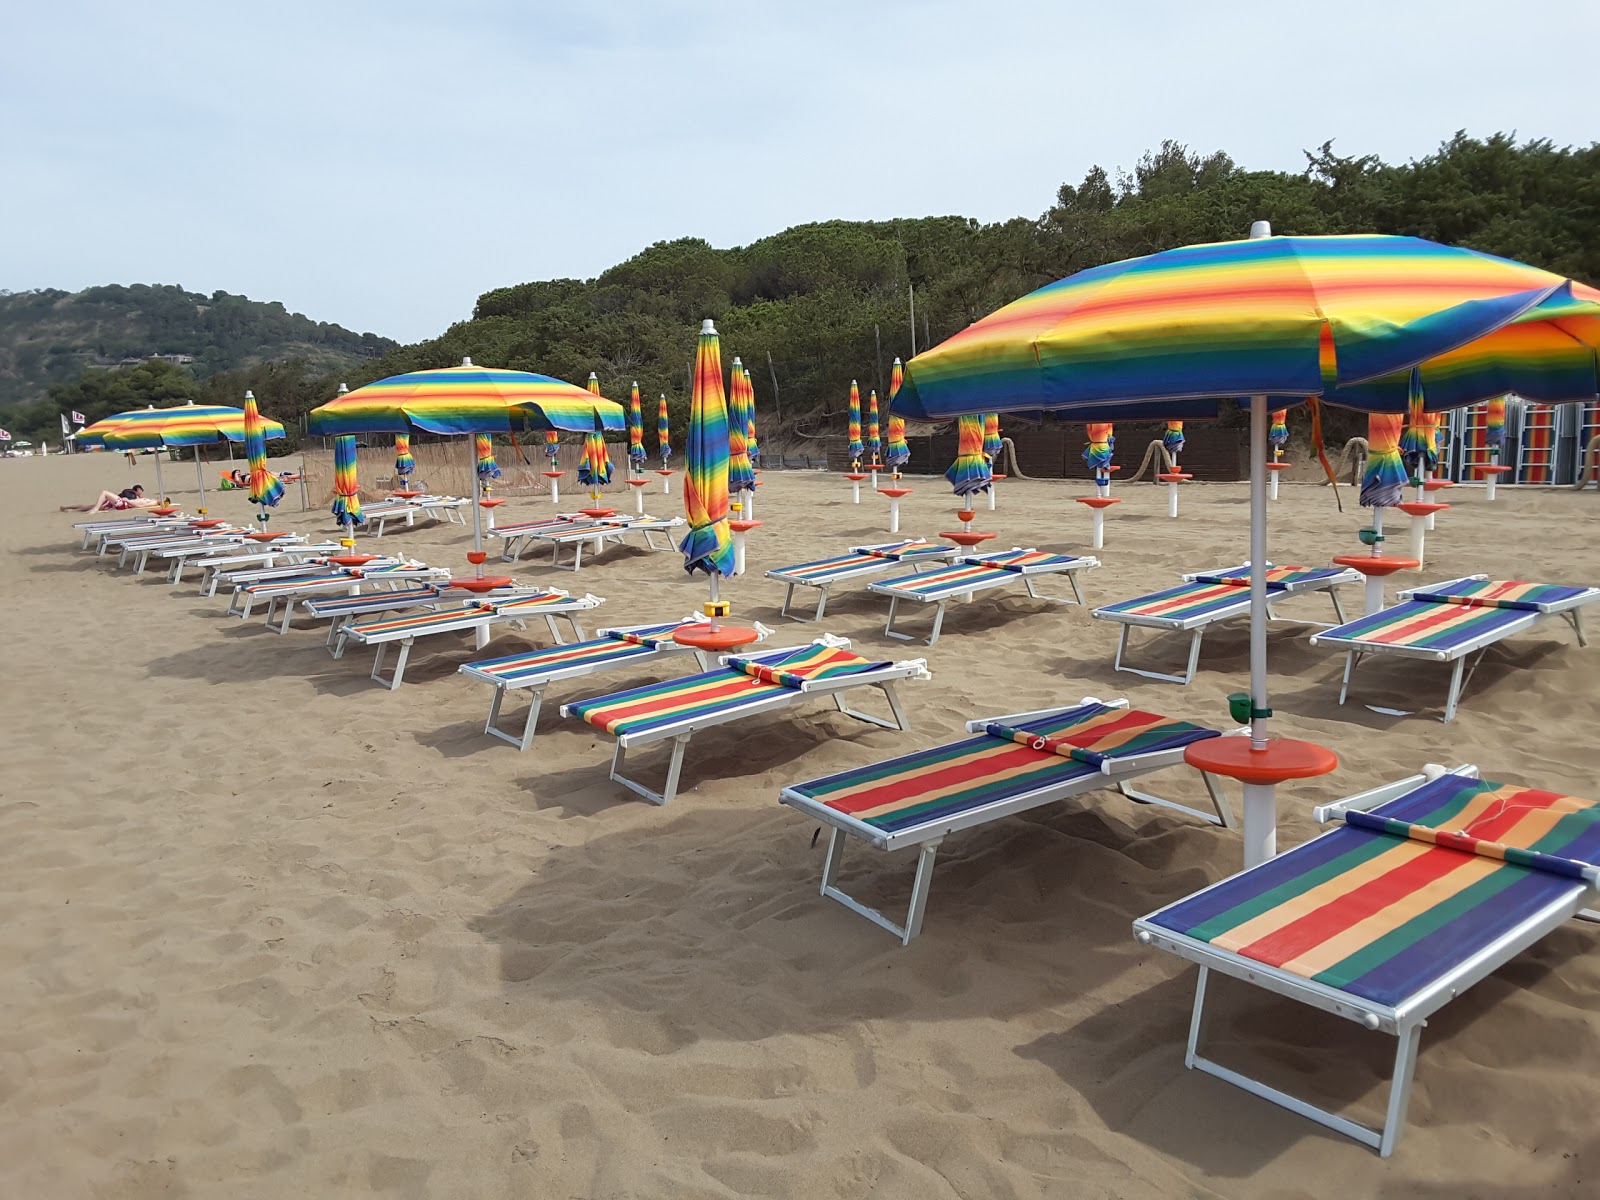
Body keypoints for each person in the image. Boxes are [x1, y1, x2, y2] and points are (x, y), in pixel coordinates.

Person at [60, 484, 161, 512]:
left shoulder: (153, 503)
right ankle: (69, 509)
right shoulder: (151, 500)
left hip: (122, 503)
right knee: (88, 506)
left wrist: (129, 502)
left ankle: (69, 508)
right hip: (121, 503)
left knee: (92, 505)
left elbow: (139, 506)